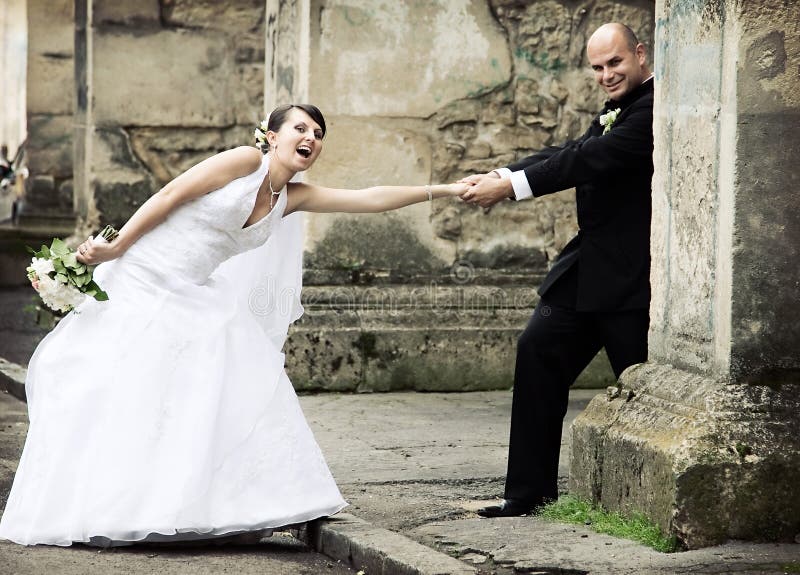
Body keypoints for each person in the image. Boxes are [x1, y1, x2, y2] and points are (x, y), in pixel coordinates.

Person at [0, 103, 468, 546]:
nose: (310, 138)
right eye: (300, 128)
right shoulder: (244, 161)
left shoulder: (293, 198)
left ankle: (220, 502)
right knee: (125, 389)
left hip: (195, 289)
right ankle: (104, 505)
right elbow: (168, 195)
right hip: (144, 276)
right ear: (271, 136)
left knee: (229, 379)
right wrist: (116, 247)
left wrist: (444, 190)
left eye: (318, 134)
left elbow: (370, 198)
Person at [459, 23, 654, 518]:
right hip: (587, 270)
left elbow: (589, 158)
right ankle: (527, 493)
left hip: (632, 280)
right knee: (537, 349)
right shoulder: (617, 109)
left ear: (640, 54)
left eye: (615, 63)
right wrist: (503, 173)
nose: (607, 75)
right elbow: (568, 149)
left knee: (645, 383)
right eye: (597, 67)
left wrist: (512, 188)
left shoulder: (654, 110)